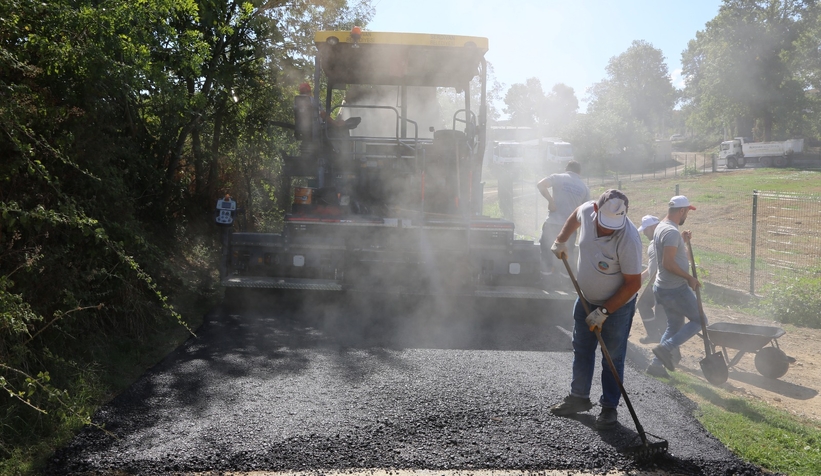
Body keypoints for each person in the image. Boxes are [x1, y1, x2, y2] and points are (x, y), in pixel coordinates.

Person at [548, 189, 643, 430]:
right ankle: (578, 398)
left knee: (612, 356)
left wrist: (604, 312)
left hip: (617, 307)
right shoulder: (588, 210)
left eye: (613, 224)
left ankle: (609, 409)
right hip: (585, 298)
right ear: (597, 210)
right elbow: (575, 215)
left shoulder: (629, 238)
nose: (607, 229)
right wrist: (561, 240)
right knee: (582, 347)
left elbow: (633, 283)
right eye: (604, 223)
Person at [646, 195, 703, 378]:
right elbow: (669, 263)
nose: (688, 215)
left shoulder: (663, 227)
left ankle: (656, 365)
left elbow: (671, 252)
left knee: (674, 326)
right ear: (681, 211)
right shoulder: (670, 232)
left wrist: (682, 241)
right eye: (687, 211)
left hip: (662, 287)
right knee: (700, 320)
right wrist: (689, 279)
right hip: (674, 289)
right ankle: (666, 348)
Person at [537, 161, 590, 283]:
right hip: (570, 227)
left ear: (566, 169)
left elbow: (540, 185)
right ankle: (566, 282)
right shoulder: (584, 187)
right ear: (579, 172)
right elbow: (586, 209)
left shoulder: (558, 177)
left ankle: (546, 281)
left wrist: (551, 201)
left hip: (552, 223)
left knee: (546, 250)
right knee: (568, 254)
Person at [636, 215, 668, 345]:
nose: (644, 233)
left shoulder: (660, 240)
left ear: (653, 227)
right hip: (654, 282)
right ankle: (654, 335)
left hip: (663, 284)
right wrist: (642, 277)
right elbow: (653, 266)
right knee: (643, 303)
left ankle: (668, 348)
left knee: (662, 316)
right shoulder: (654, 241)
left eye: (646, 229)